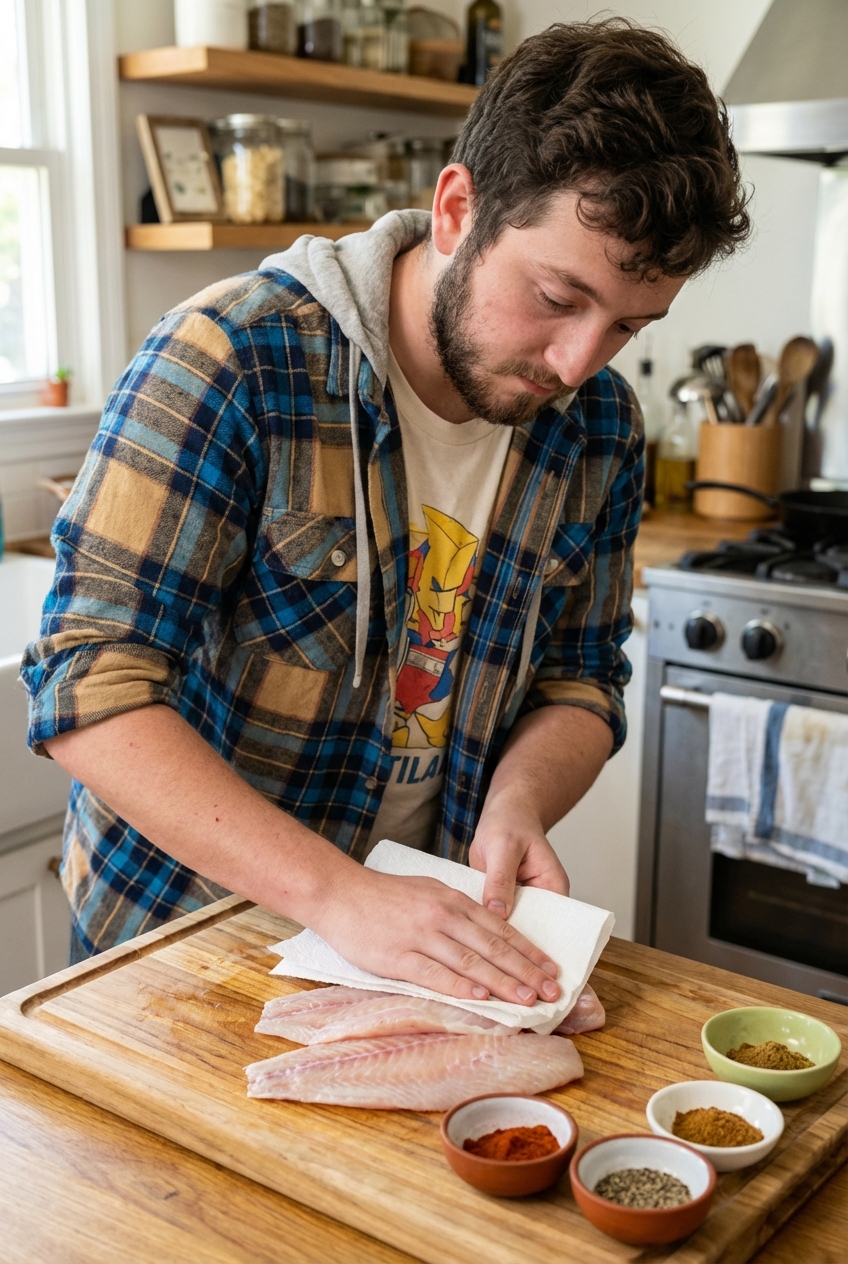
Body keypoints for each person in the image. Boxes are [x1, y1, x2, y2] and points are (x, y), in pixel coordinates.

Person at [23, 19, 749, 1006]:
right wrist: (337, 892)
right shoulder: (232, 359)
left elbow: (580, 679)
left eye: (626, 324)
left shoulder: (601, 430)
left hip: (418, 946)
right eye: (553, 296)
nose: (577, 362)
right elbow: (87, 685)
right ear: (456, 210)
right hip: (177, 943)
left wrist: (518, 803)